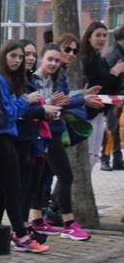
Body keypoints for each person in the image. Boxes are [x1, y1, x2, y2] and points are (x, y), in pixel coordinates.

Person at [0, 42, 50, 254]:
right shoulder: (0, 79)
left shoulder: (16, 79)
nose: (17, 60)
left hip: (11, 136)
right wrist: (26, 101)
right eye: (13, 56)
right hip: (1, 137)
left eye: (20, 57)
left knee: (10, 188)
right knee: (10, 188)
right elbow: (9, 112)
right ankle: (20, 234)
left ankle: (13, 232)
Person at [27, 44, 90, 241]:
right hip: (43, 134)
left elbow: (63, 102)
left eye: (56, 60)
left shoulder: (56, 79)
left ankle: (36, 218)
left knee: (44, 175)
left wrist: (81, 98)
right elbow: (35, 105)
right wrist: (50, 103)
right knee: (66, 176)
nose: (53, 64)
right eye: (50, 59)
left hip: (54, 131)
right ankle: (69, 223)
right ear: (41, 59)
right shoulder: (32, 80)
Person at [81, 22, 122, 172]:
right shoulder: (87, 59)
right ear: (88, 37)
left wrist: (115, 74)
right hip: (89, 112)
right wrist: (114, 73)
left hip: (99, 112)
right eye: (98, 35)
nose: (102, 39)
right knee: (89, 155)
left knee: (93, 155)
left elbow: (109, 87)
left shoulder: (99, 57)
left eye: (105, 35)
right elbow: (98, 87)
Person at [98, 25, 124, 171]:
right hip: (112, 98)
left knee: (115, 129)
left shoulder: (120, 53)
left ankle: (118, 159)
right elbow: (106, 78)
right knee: (111, 129)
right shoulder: (114, 54)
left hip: (119, 97)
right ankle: (105, 159)